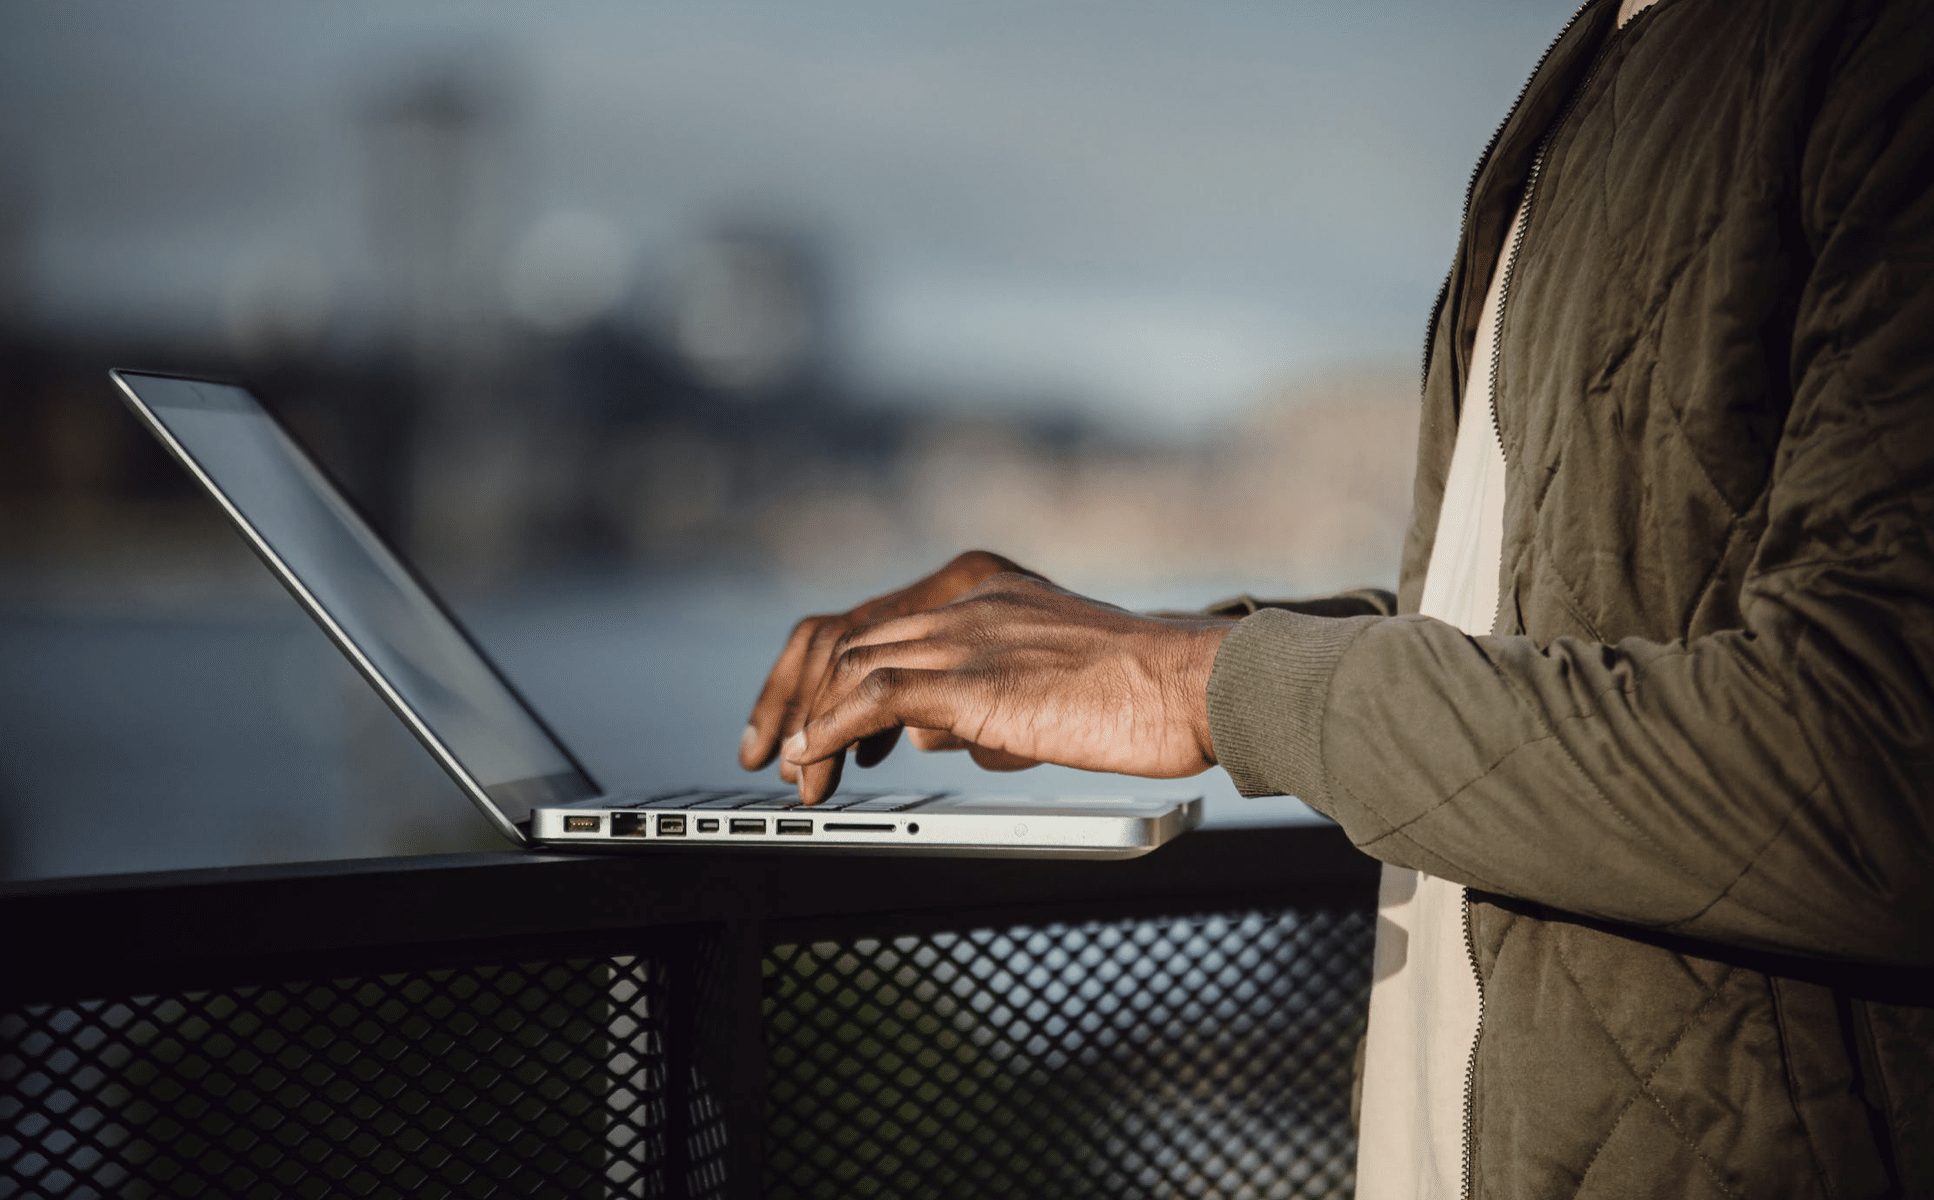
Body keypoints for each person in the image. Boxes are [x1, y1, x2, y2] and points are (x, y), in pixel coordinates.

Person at [739, 0, 1934, 1194]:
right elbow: (1542, 627)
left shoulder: (1869, 46)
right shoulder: (1604, 59)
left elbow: (1878, 760)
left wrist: (1201, 683)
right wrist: (1118, 650)